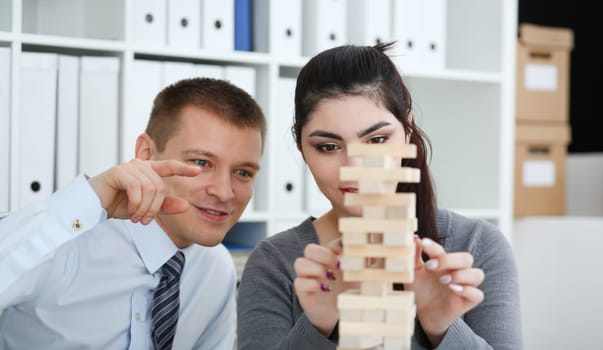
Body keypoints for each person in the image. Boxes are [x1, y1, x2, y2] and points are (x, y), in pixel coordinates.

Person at [236, 43, 522, 349]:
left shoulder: (476, 246)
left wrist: (442, 326)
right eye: (329, 147)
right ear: (301, 147)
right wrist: (318, 325)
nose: (356, 167)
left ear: (408, 129)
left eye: (377, 140)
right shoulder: (275, 264)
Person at [0, 77, 266, 349]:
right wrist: (85, 201)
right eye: (201, 163)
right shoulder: (62, 240)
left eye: (243, 172)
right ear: (146, 153)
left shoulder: (216, 269)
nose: (224, 192)